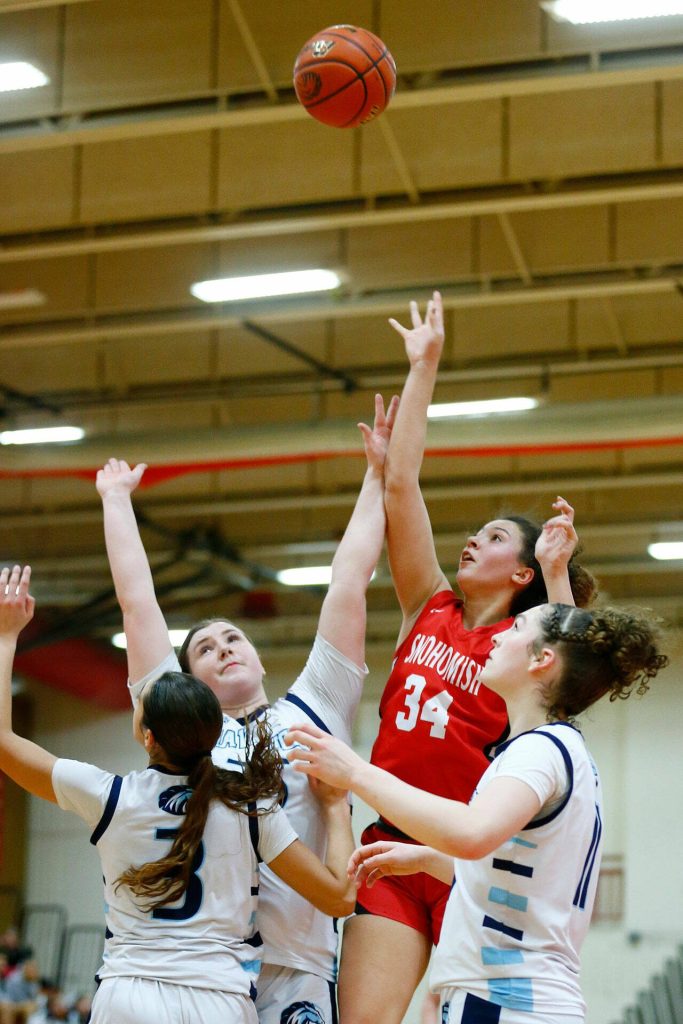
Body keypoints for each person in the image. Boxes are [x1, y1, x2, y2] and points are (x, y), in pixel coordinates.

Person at [335, 293, 598, 1024]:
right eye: (473, 535)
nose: (470, 543)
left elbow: (567, 670)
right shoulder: (428, 603)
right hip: (390, 846)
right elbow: (400, 485)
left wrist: (555, 569)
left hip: (469, 860)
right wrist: (424, 367)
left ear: (519, 573)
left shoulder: (519, 654)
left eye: (490, 538)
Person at [95, 395, 397, 1024]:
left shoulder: (316, 705)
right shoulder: (179, 726)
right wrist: (117, 502)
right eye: (204, 647)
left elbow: (348, 579)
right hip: (202, 969)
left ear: (259, 659)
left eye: (234, 637)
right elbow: (138, 606)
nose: (224, 646)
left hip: (298, 963)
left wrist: (376, 477)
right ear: (187, 678)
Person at [0, 565, 356, 1024]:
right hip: (218, 1000)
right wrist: (334, 809)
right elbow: (340, 898)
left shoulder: (110, 798)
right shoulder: (250, 808)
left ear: (147, 737)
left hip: (128, 996)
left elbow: (5, 745)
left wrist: (7, 636)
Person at [286, 601, 668, 1023]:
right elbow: (524, 877)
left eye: (517, 626)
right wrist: (429, 859)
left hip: (509, 1003)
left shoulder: (539, 751)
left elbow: (471, 833)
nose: (500, 635)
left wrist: (356, 772)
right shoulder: (552, 749)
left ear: (542, 659)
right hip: (517, 1001)